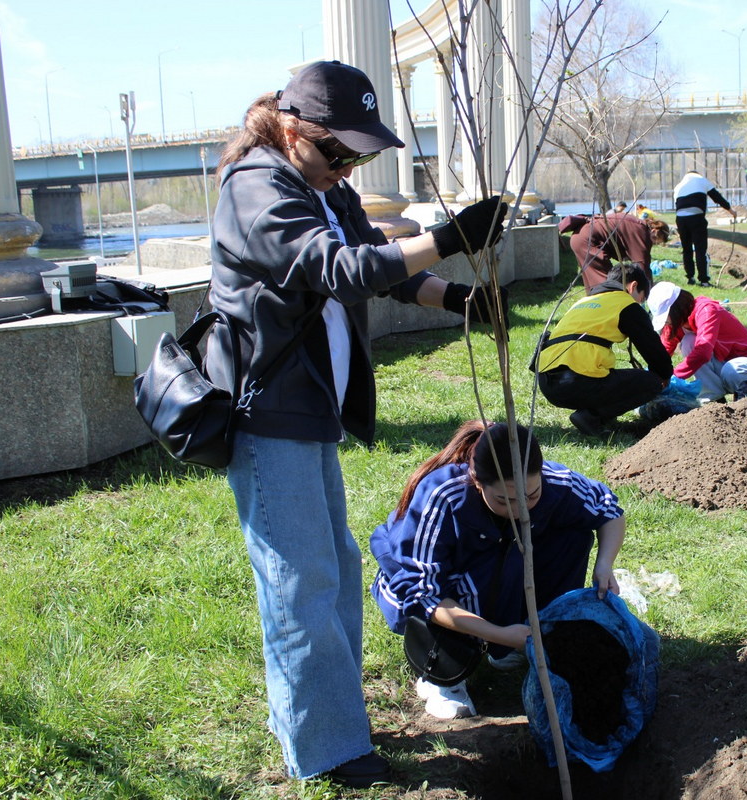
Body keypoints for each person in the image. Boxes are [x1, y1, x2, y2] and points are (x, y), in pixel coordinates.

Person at [207, 61, 508, 789]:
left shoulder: (322, 186)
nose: (345, 167)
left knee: (334, 573)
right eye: (334, 151)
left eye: (357, 157)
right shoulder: (255, 185)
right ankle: (331, 753)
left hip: (310, 411)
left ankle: (327, 723)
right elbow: (335, 268)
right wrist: (446, 236)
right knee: (299, 585)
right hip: (267, 411)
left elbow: (385, 264)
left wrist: (457, 299)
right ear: (289, 128)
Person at [369, 421, 626, 719]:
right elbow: (423, 592)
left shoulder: (555, 481)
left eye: (531, 496)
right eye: (506, 500)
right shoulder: (444, 498)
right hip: (437, 589)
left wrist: (605, 564)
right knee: (478, 576)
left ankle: (521, 639)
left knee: (572, 535)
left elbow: (608, 510)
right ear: (477, 482)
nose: (521, 509)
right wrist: (501, 634)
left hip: (501, 570)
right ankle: (442, 675)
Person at [536, 262, 674, 436]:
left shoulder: (584, 301)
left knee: (607, 376)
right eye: (642, 298)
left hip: (547, 382)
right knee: (650, 382)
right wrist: (664, 375)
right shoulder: (625, 304)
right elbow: (652, 348)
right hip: (576, 381)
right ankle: (591, 416)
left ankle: (598, 414)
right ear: (633, 286)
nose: (640, 303)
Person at [646, 281, 747, 402]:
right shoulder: (677, 322)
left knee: (731, 372)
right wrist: (653, 376)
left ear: (675, 309)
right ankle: (714, 398)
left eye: (666, 317)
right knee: (689, 341)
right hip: (724, 363)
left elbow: (703, 351)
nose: (666, 322)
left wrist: (674, 376)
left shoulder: (706, 310)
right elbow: (663, 351)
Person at [558, 212, 669, 290]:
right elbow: (642, 263)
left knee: (593, 282)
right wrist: (648, 287)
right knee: (607, 284)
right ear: (654, 231)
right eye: (656, 240)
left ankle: (596, 310)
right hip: (587, 240)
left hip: (580, 237)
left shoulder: (638, 225)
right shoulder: (642, 232)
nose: (653, 243)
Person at [672, 170, 734, 287]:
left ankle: (690, 277)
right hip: (696, 217)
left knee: (687, 249)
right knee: (700, 249)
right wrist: (731, 210)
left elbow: (678, 204)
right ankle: (704, 280)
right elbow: (717, 197)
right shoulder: (702, 180)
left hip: (680, 219)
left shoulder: (679, 186)